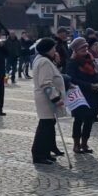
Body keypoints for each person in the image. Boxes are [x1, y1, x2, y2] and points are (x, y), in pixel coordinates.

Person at [31, 37, 66, 165]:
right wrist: (56, 99)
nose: (55, 50)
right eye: (53, 48)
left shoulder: (44, 60)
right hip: (47, 100)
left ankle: (45, 152)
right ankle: (38, 154)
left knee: (48, 127)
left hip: (46, 99)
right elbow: (46, 83)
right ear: (48, 49)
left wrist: (56, 62)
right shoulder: (44, 62)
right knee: (44, 127)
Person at [66, 37, 98, 154]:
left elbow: (95, 74)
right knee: (78, 120)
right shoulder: (72, 62)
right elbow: (72, 79)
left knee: (89, 120)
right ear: (75, 50)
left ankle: (84, 143)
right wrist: (89, 85)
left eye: (86, 47)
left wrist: (97, 82)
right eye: (82, 48)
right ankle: (76, 144)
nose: (85, 49)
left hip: (91, 95)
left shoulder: (90, 59)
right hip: (79, 96)